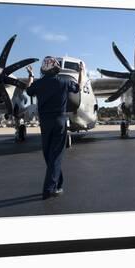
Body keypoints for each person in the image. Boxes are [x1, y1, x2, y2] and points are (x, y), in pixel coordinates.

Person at [25, 57, 83, 200]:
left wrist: (31, 76)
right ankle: (49, 189)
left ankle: (57, 182)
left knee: (48, 155)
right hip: (59, 121)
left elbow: (28, 91)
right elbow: (79, 87)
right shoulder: (64, 82)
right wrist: (81, 72)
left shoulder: (39, 84)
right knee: (55, 156)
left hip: (45, 123)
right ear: (56, 68)